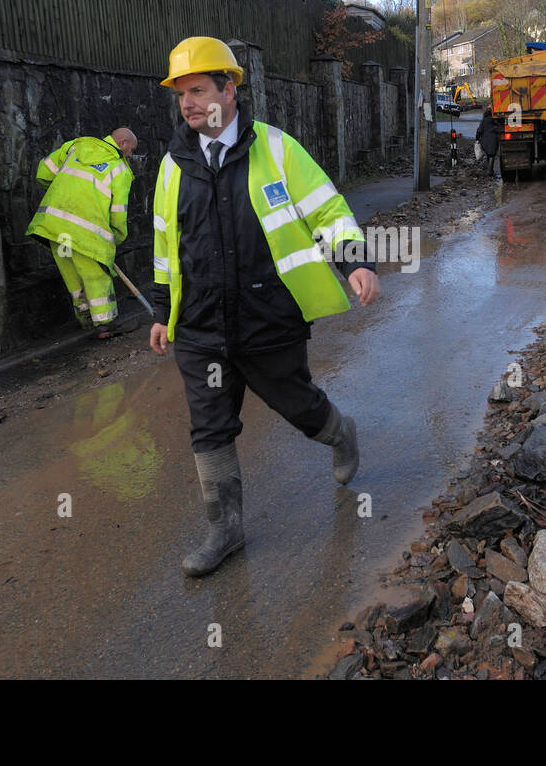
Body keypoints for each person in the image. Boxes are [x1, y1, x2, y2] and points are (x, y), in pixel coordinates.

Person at [148, 37, 381, 577]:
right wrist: (162, 313)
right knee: (209, 427)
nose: (187, 102)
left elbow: (327, 209)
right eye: (180, 92)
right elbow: (165, 244)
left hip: (267, 318)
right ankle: (223, 529)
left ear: (229, 90)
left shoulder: (277, 149)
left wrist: (356, 263)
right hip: (202, 325)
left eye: (198, 89)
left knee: (296, 405)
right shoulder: (172, 165)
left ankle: (339, 431)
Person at [26, 127, 139, 340]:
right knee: (95, 276)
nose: (130, 155)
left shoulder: (76, 146)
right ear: (122, 143)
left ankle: (86, 320)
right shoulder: (119, 170)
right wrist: (114, 238)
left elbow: (43, 172)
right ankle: (106, 324)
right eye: (131, 149)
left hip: (55, 226)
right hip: (87, 232)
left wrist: (65, 189)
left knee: (73, 277)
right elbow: (118, 214)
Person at [476, 106, 500, 177]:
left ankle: (489, 170)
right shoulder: (494, 120)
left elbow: (479, 130)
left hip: (484, 140)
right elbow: (499, 128)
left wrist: (477, 139)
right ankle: (490, 171)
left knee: (488, 154)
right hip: (493, 140)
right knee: (492, 155)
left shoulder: (483, 121)